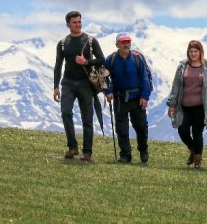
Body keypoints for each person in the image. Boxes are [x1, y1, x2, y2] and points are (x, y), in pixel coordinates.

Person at [53, 11, 105, 162]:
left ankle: (87, 152)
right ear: (68, 24)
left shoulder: (90, 40)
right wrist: (56, 86)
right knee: (65, 113)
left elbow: (102, 60)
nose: (78, 24)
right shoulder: (63, 43)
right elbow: (58, 66)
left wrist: (86, 62)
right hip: (68, 82)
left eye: (79, 21)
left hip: (85, 83)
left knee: (87, 118)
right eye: (74, 22)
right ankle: (72, 147)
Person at [167, 40, 207, 169]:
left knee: (197, 133)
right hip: (184, 106)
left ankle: (198, 160)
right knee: (182, 130)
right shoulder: (182, 67)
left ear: (200, 53)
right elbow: (175, 86)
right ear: (188, 52)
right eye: (191, 51)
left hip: (201, 107)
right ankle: (192, 149)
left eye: (195, 51)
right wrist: (171, 105)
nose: (193, 54)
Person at [104, 32, 151, 164]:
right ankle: (125, 155)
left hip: (137, 98)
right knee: (121, 128)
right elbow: (104, 77)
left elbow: (144, 78)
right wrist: (107, 91)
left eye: (128, 42)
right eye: (123, 42)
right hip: (120, 97)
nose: (126, 44)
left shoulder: (137, 58)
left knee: (141, 126)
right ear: (117, 44)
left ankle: (143, 151)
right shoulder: (110, 59)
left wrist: (144, 96)